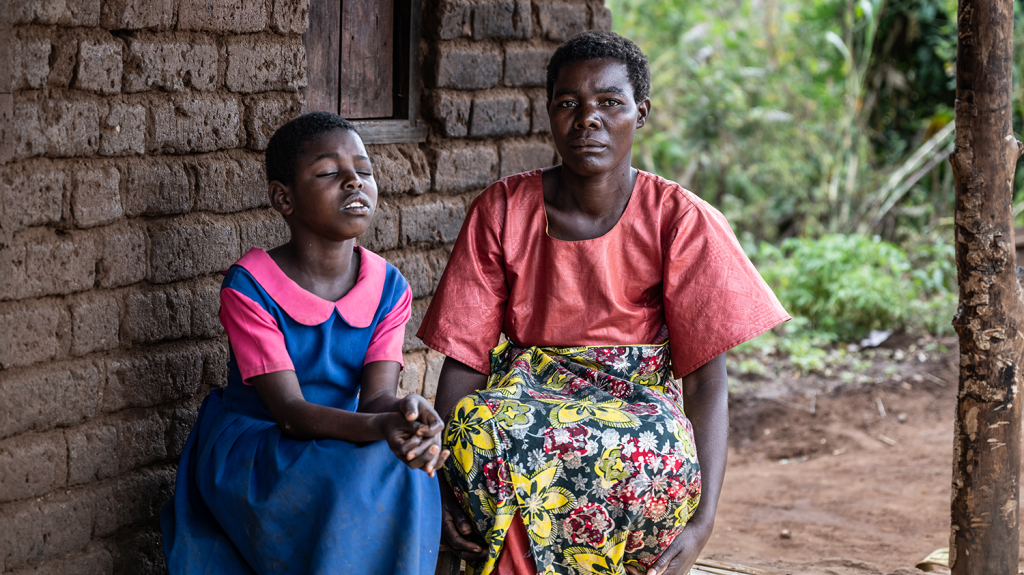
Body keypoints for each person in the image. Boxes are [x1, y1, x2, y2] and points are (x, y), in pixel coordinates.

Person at [417, 31, 790, 575]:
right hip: (529, 401)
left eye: (609, 103)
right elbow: (465, 360)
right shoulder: (502, 209)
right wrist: (444, 490)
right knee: (482, 428)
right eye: (568, 103)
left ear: (641, 113)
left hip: (638, 407)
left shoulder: (681, 219)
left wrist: (703, 522)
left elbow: (707, 381)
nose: (587, 118)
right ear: (549, 114)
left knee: (652, 452)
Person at [161, 112, 449, 575]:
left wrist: (405, 415)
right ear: (284, 198)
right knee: (357, 474)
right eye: (330, 173)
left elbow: (375, 398)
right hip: (259, 446)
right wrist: (379, 428)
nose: (355, 182)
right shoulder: (250, 286)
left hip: (335, 433)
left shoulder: (388, 286)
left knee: (409, 469)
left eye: (364, 170)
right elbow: (291, 415)